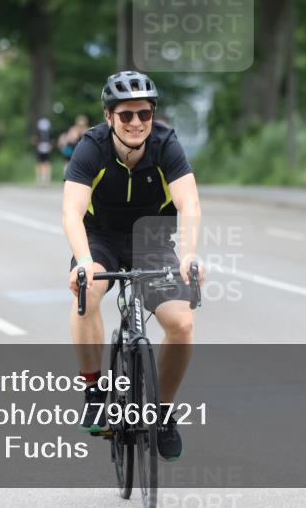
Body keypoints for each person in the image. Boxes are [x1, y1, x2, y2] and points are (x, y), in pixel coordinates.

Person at [63, 70, 205, 462]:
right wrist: (85, 261)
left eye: (144, 113)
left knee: (182, 323)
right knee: (85, 291)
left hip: (152, 240)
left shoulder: (166, 144)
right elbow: (71, 211)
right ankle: (94, 392)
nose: (137, 123)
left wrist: (189, 253)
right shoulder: (90, 147)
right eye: (126, 115)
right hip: (100, 239)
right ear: (109, 117)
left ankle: (162, 414)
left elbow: (188, 204)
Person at [34, 117, 53, 184]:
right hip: (44, 148)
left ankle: (43, 177)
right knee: (44, 163)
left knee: (42, 163)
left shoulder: (40, 133)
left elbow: (35, 140)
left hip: (42, 148)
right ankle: (44, 178)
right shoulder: (48, 133)